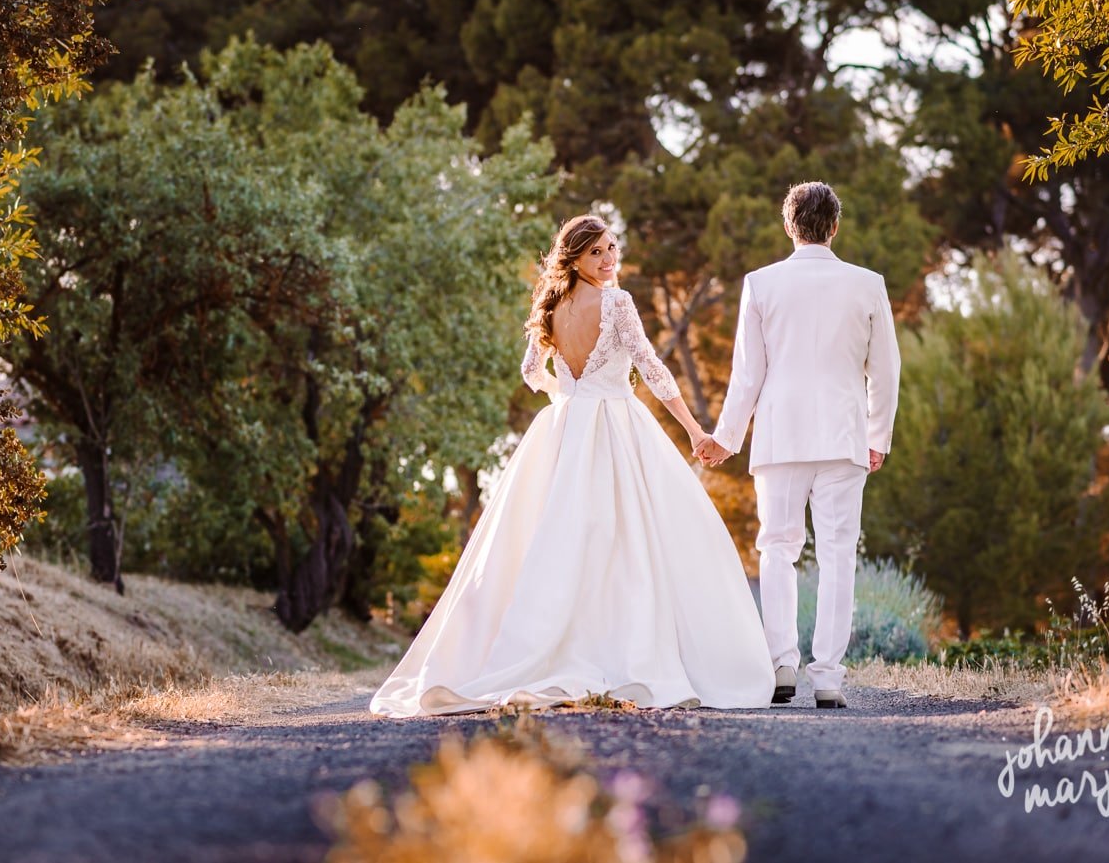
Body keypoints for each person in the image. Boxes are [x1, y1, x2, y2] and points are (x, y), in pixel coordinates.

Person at [370, 215, 773, 717]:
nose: (609, 260)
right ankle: (620, 654)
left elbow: (529, 372)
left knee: (559, 539)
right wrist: (695, 432)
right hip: (617, 425)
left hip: (564, 428)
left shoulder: (551, 305)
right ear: (575, 259)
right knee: (624, 539)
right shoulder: (617, 303)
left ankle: (557, 649)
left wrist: (568, 395)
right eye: (597, 253)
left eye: (611, 248)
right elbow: (651, 368)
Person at [698, 182, 901, 709]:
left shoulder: (761, 284)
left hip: (780, 436)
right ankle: (828, 676)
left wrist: (726, 438)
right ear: (834, 226)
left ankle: (782, 664)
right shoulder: (868, 283)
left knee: (777, 549)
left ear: (790, 226)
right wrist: (878, 435)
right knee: (838, 557)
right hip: (843, 437)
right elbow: (886, 369)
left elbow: (747, 375)